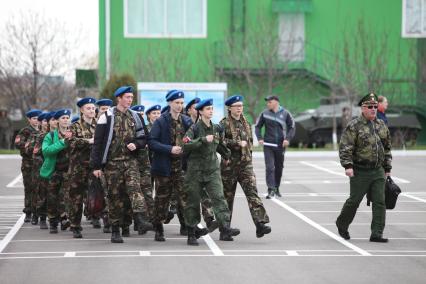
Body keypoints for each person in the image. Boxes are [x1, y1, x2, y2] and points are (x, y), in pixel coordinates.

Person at [90, 86, 152, 243]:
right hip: (112, 164)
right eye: (127, 97)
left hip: (130, 162)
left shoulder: (136, 116)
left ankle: (141, 219)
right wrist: (96, 166)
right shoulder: (107, 116)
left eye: (131, 97)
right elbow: (97, 143)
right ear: (119, 98)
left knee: (135, 188)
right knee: (115, 197)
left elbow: (144, 137)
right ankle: (116, 229)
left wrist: (136, 145)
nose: (130, 100)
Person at [336, 93, 392, 243]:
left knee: (380, 201)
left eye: (375, 106)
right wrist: (348, 166)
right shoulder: (354, 126)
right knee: (354, 201)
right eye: (370, 107)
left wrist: (387, 167)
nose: (373, 109)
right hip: (360, 170)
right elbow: (345, 147)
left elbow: (387, 148)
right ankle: (342, 224)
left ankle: (377, 233)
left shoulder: (381, 125)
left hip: (378, 170)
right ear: (363, 108)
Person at [182, 98, 238, 245]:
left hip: (212, 170)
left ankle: (225, 227)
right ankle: (191, 232)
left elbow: (218, 144)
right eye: (207, 109)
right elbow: (185, 145)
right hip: (195, 172)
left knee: (219, 197)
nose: (211, 111)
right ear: (200, 112)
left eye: (212, 108)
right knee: (193, 202)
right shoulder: (194, 129)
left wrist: (226, 155)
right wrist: (202, 140)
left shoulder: (216, 128)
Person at [148, 90, 202, 241]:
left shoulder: (186, 121)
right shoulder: (161, 121)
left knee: (186, 200)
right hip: (164, 168)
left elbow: (195, 139)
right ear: (170, 103)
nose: (180, 106)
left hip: (182, 168)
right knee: (161, 200)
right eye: (177, 103)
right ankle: (158, 228)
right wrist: (169, 149)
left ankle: (191, 233)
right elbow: (151, 142)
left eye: (181, 103)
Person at [220, 95, 271, 238]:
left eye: (241, 106)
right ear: (230, 108)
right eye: (236, 106)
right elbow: (220, 142)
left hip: (245, 166)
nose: (239, 108)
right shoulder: (223, 124)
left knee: (252, 193)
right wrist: (235, 143)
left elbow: (249, 144)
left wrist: (249, 160)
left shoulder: (246, 123)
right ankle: (225, 229)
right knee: (227, 198)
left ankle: (260, 224)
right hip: (229, 167)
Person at [184, 97, 218, 232]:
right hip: (185, 165)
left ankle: (209, 220)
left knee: (205, 195)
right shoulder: (185, 123)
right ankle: (190, 228)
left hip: (202, 167)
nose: (197, 109)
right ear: (189, 111)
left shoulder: (207, 125)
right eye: (194, 107)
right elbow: (184, 144)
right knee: (190, 200)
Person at [66, 97, 97, 238]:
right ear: (82, 110)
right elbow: (69, 141)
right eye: (88, 108)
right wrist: (87, 141)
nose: (92, 110)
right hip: (78, 168)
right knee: (76, 198)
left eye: (93, 108)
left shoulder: (100, 125)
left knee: (98, 194)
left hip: (94, 167)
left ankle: (103, 220)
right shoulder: (74, 126)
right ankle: (75, 225)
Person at [255, 95, 295, 199]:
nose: (267, 104)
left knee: (279, 167)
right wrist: (259, 138)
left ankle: (276, 187)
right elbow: (258, 127)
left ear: (276, 102)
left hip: (280, 145)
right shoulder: (264, 113)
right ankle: (270, 189)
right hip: (268, 145)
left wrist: (287, 139)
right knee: (269, 167)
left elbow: (292, 127)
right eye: (267, 102)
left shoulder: (286, 113)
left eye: (269, 102)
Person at [40, 109, 72, 234]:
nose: (65, 120)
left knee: (67, 197)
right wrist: (63, 142)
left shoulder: (74, 134)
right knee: (53, 198)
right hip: (54, 171)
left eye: (67, 117)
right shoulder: (51, 135)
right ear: (57, 120)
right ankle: (53, 222)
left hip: (69, 171)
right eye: (63, 118)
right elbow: (46, 151)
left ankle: (65, 218)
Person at [130, 104, 155, 234]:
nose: (139, 116)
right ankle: (135, 222)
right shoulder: (131, 130)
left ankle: (148, 222)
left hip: (146, 166)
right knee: (134, 195)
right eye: (137, 114)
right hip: (133, 166)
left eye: (141, 114)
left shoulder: (145, 130)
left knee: (147, 194)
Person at [15, 109, 41, 222]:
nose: (37, 121)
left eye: (38, 118)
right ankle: (28, 211)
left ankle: (38, 211)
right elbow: (18, 143)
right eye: (34, 118)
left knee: (40, 188)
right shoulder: (25, 131)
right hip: (28, 164)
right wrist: (30, 146)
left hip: (40, 163)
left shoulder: (42, 130)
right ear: (29, 119)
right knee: (29, 187)